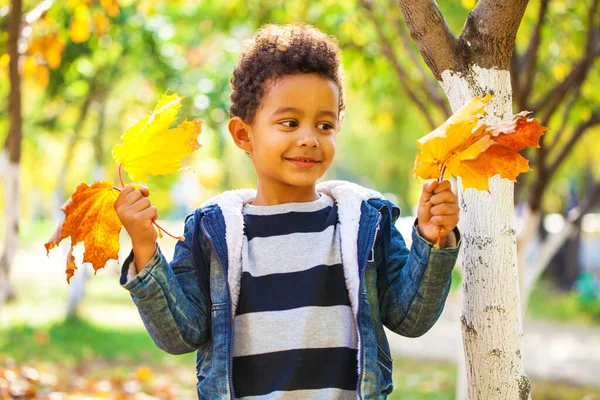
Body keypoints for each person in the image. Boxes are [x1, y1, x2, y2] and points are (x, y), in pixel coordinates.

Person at [114, 23, 461, 400]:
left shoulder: (365, 222)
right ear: (244, 134)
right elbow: (181, 335)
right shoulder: (212, 231)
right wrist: (146, 249)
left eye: (325, 124)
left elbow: (410, 318)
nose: (309, 137)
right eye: (290, 122)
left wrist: (432, 239)